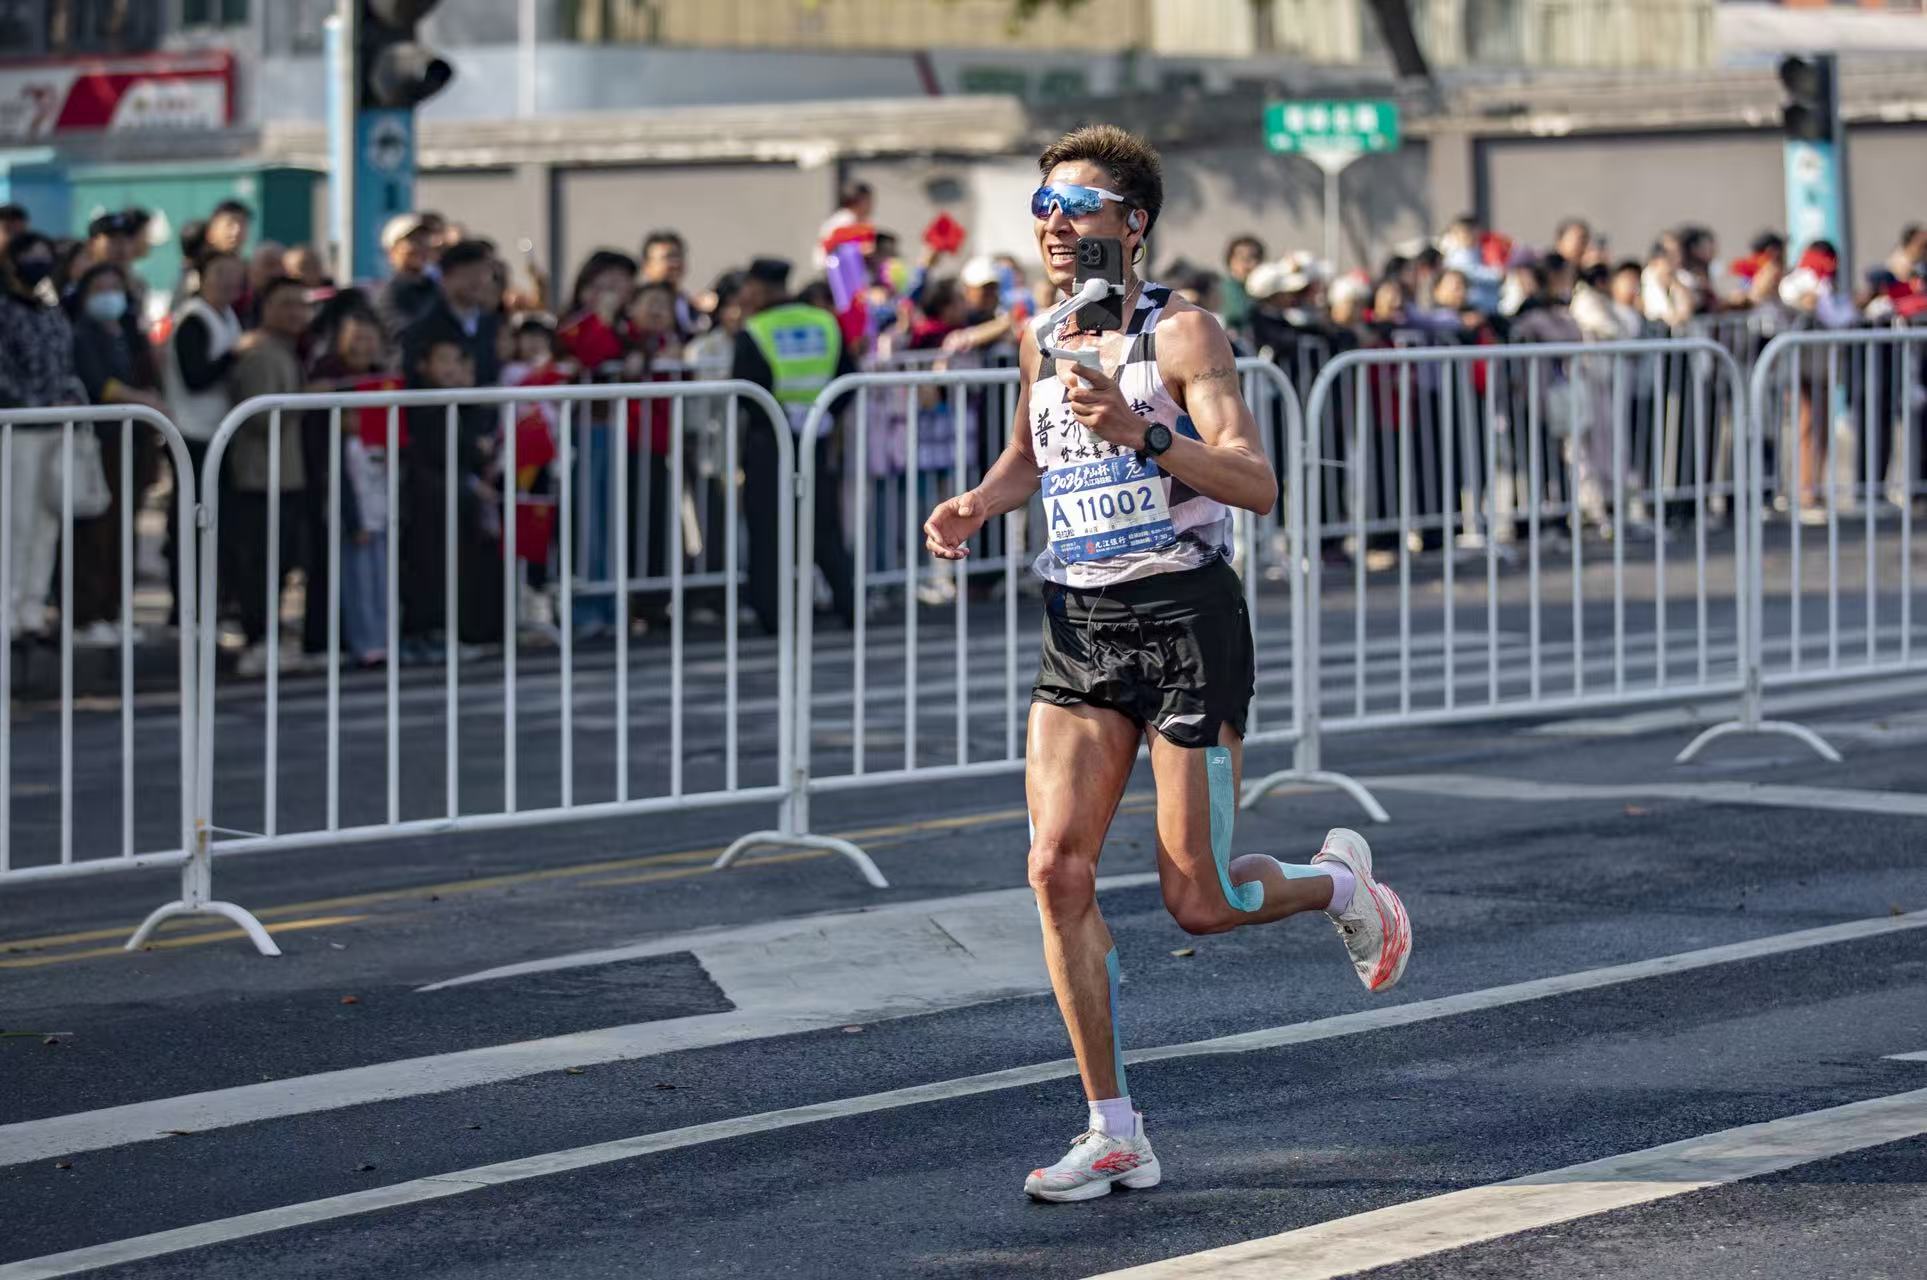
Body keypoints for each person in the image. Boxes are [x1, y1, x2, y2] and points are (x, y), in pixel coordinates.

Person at [921, 125, 1412, 1204]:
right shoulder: (1040, 333)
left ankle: (1340, 884)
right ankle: (1113, 1131)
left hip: (1186, 620)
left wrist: (1145, 434)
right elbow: (1027, 455)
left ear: (1130, 223)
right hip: (1079, 621)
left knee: (1200, 898)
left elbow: (1253, 481)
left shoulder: (1183, 333)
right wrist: (977, 502)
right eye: (1042, 206)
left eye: (1076, 206)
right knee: (1055, 869)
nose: (1053, 225)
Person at [730, 256, 857, 635]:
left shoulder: (756, 329)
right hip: (817, 435)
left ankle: (771, 615)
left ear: (759, 289)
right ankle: (849, 604)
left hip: (769, 440)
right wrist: (825, 413)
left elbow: (746, 390)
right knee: (823, 525)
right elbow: (848, 376)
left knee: (767, 527)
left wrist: (779, 417)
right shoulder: (824, 322)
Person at [67, 261, 164, 644]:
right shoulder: (82, 334)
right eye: (100, 289)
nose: (110, 296)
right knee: (97, 531)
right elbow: (99, 384)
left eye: (115, 288)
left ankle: (114, 609)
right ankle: (87, 614)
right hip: (100, 442)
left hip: (132, 442)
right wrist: (142, 400)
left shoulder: (127, 333)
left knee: (124, 530)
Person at [225, 277, 313, 676]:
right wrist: (309, 399)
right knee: (260, 564)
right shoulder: (260, 353)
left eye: (301, 304)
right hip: (260, 476)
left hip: (286, 474)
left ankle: (269, 636)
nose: (296, 313)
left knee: (279, 563)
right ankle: (258, 639)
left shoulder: (287, 350)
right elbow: (260, 418)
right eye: (285, 304)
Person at [0, 232, 84, 639]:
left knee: (47, 520)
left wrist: (69, 400)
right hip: (20, 430)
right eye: (29, 255)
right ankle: (9, 607)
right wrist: (35, 404)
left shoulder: (51, 311)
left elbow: (66, 364)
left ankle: (32, 608)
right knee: (16, 520)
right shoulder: (4, 311)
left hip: (58, 427)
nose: (39, 263)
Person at [160, 248, 246, 626]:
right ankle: (184, 608)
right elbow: (195, 377)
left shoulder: (228, 315)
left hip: (219, 433)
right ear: (202, 277)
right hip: (191, 433)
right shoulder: (192, 319)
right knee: (189, 523)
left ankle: (212, 602)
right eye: (219, 273)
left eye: (234, 274)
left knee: (217, 523)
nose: (228, 281)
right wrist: (235, 355)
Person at [376, 213, 441, 339]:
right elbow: (405, 336)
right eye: (413, 241)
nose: (421, 247)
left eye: (424, 240)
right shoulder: (389, 295)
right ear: (392, 251)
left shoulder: (436, 289)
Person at [1219, 234, 1265, 333]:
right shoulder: (1225, 289)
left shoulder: (1263, 291)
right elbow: (1237, 315)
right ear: (1231, 262)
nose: (1253, 264)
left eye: (1257, 259)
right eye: (1246, 260)